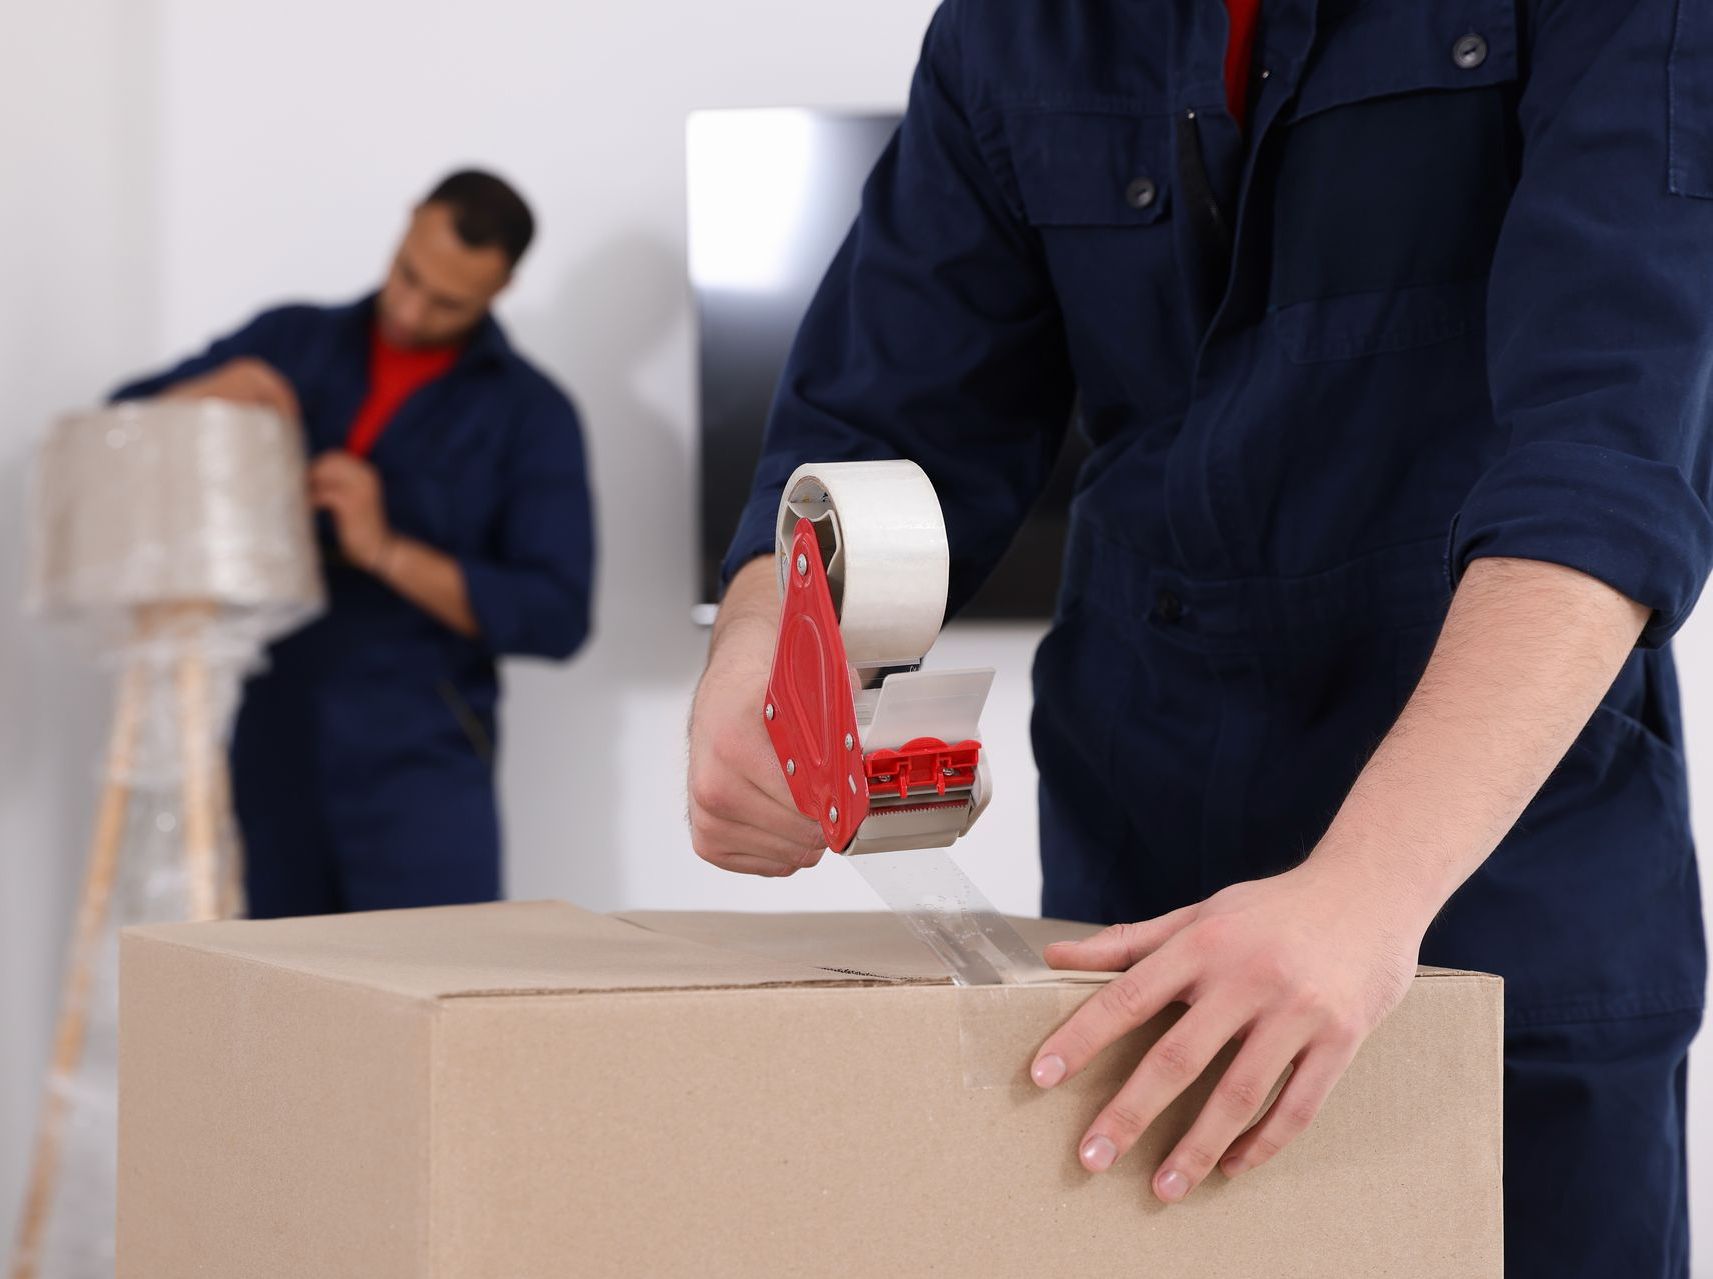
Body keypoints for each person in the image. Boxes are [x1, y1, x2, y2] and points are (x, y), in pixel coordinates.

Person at [685, 3, 1711, 1275]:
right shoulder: (1016, 32)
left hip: (1492, 883)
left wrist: (1361, 895)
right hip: (1142, 862)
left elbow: (1606, 462)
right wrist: (766, 648)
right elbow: (883, 415)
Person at [114, 170, 595, 918]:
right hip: (273, 733)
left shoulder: (533, 413)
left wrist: (384, 549)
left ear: (502, 288)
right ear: (407, 224)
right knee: (277, 999)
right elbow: (117, 424)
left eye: (447, 303)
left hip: (424, 756)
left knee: (433, 995)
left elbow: (557, 614)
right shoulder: (289, 339)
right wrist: (207, 395)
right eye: (407, 275)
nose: (409, 310)